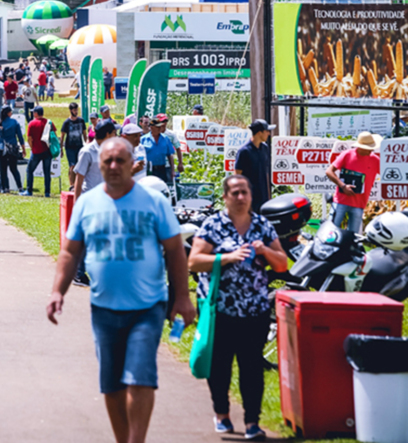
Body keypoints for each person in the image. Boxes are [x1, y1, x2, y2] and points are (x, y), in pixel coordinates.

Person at [46, 138, 195, 443]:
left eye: (120, 161)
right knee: (112, 385)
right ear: (99, 165)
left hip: (147, 306)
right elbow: (70, 252)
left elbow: (175, 251)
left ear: (133, 164)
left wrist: (182, 296)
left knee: (140, 377)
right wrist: (57, 291)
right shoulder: (87, 203)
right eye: (107, 161)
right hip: (104, 308)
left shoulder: (154, 203)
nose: (113, 166)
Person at [188, 174, 289, 441]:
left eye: (245, 192)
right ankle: (221, 414)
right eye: (235, 192)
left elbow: (282, 264)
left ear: (251, 196)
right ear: (225, 197)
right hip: (220, 309)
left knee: (252, 366)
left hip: (255, 310)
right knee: (220, 365)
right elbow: (194, 261)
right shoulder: (213, 225)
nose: (241, 197)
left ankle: (252, 422)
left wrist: (265, 251)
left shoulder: (262, 226)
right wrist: (227, 257)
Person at [325, 131, 382, 233]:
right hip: (341, 201)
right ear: (360, 147)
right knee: (330, 232)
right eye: (368, 148)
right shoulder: (347, 154)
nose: (371, 150)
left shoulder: (375, 160)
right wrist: (343, 186)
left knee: (353, 237)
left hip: (359, 204)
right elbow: (329, 171)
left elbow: (388, 174)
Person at [234, 119, 274, 214]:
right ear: (259, 132)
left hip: (263, 199)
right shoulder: (244, 151)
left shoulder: (265, 148)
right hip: (248, 199)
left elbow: (266, 173)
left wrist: (269, 197)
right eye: (267, 131)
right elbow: (237, 177)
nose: (269, 134)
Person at [0, 106, 25, 194]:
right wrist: (23, 148)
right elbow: (20, 137)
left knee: (3, 169)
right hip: (12, 148)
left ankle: (5, 188)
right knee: (14, 168)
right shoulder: (14, 122)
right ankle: (20, 187)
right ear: (8, 113)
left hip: (1, 148)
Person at [24, 106, 54, 198]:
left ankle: (29, 191)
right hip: (47, 151)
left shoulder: (32, 123)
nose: (32, 114)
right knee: (47, 172)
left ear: (36, 113)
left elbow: (29, 138)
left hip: (36, 151)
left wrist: (32, 148)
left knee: (29, 170)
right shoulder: (49, 122)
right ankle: (47, 192)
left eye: (33, 112)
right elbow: (54, 136)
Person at [140, 114, 176, 184]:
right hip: (148, 169)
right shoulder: (143, 139)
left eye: (160, 127)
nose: (160, 129)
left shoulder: (165, 139)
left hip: (161, 169)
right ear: (152, 127)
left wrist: (172, 170)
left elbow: (170, 155)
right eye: (158, 127)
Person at [61, 102, 87, 181]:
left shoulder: (81, 121)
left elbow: (84, 134)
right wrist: (61, 149)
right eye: (75, 110)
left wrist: (87, 144)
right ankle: (72, 185)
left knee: (79, 166)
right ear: (71, 110)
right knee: (72, 166)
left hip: (79, 146)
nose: (76, 112)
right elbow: (62, 136)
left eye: (77, 110)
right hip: (70, 147)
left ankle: (78, 183)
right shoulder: (66, 123)